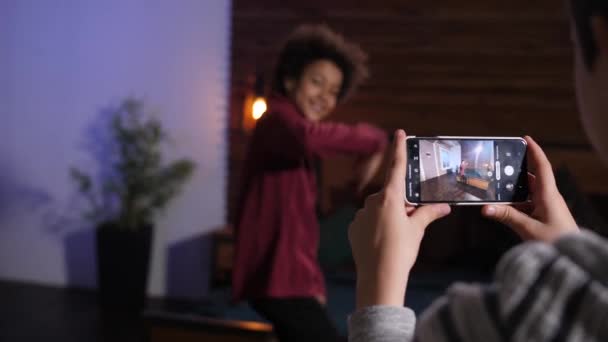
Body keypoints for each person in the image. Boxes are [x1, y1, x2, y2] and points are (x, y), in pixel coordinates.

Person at [347, 0, 608, 340]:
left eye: (573, 43)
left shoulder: (514, 313)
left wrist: (378, 284)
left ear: (600, 35)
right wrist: (570, 253)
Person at [231, 24, 388, 342]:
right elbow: (310, 138)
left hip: (293, 280)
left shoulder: (292, 140)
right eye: (317, 83)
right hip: (275, 281)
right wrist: (377, 139)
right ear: (290, 80)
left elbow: (303, 228)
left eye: (333, 92)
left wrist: (313, 283)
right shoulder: (277, 120)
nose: (324, 97)